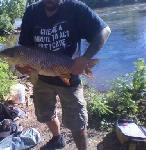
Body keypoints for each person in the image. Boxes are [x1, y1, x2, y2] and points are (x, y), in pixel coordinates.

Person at [16, 0, 111, 149]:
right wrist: (22, 65)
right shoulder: (32, 12)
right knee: (45, 115)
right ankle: (57, 138)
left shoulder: (75, 8)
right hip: (41, 78)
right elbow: (24, 47)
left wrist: (85, 58)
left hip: (70, 75)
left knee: (78, 123)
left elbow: (104, 31)